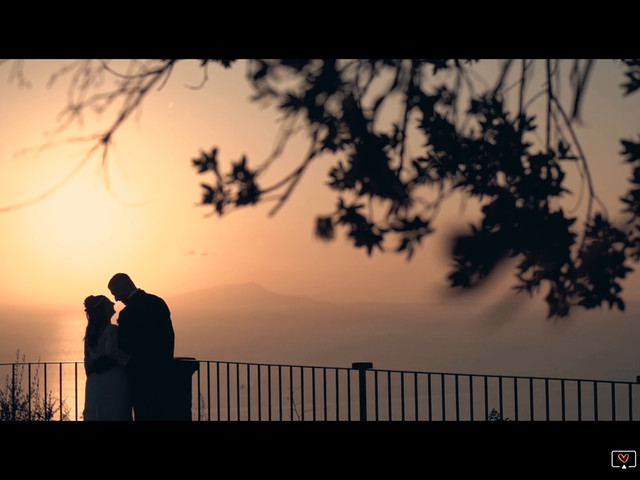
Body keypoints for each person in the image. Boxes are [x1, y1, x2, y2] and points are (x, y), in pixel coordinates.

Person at [108, 273, 175, 421]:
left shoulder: (127, 313)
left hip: (140, 377)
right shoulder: (158, 302)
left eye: (116, 293)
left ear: (124, 287)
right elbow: (168, 337)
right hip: (163, 373)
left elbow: (125, 346)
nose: (116, 299)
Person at [83, 294, 133, 421]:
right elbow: (111, 350)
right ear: (104, 309)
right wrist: (130, 361)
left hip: (94, 380)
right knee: (114, 411)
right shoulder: (111, 330)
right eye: (109, 302)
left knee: (97, 410)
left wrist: (91, 372)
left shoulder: (90, 332)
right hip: (112, 379)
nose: (113, 303)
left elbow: (87, 360)